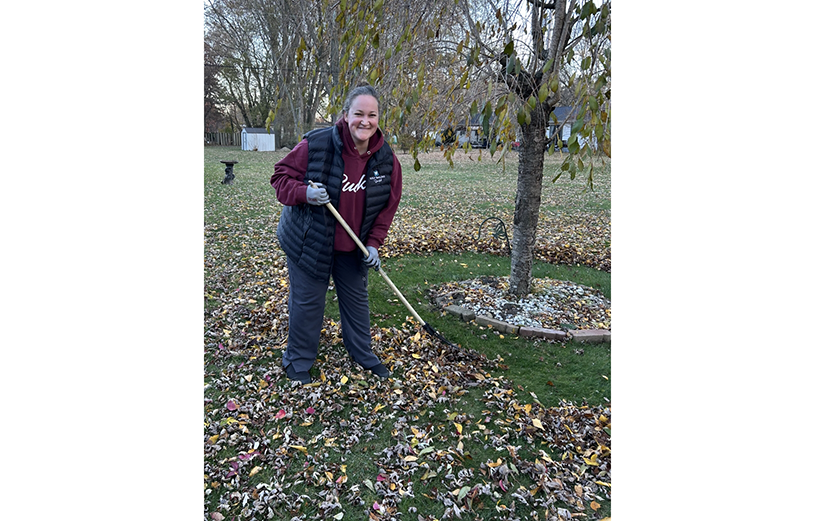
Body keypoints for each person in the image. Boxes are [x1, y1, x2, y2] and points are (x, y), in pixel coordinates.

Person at [270, 84, 403, 384]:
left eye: (372, 115)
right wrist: (304, 192)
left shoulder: (385, 159)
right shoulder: (316, 144)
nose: (365, 121)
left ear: (378, 118)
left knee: (357, 303)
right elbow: (280, 178)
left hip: (352, 247)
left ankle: (362, 354)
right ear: (345, 115)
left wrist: (374, 244)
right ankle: (298, 360)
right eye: (358, 114)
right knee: (308, 304)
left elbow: (387, 207)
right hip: (310, 241)